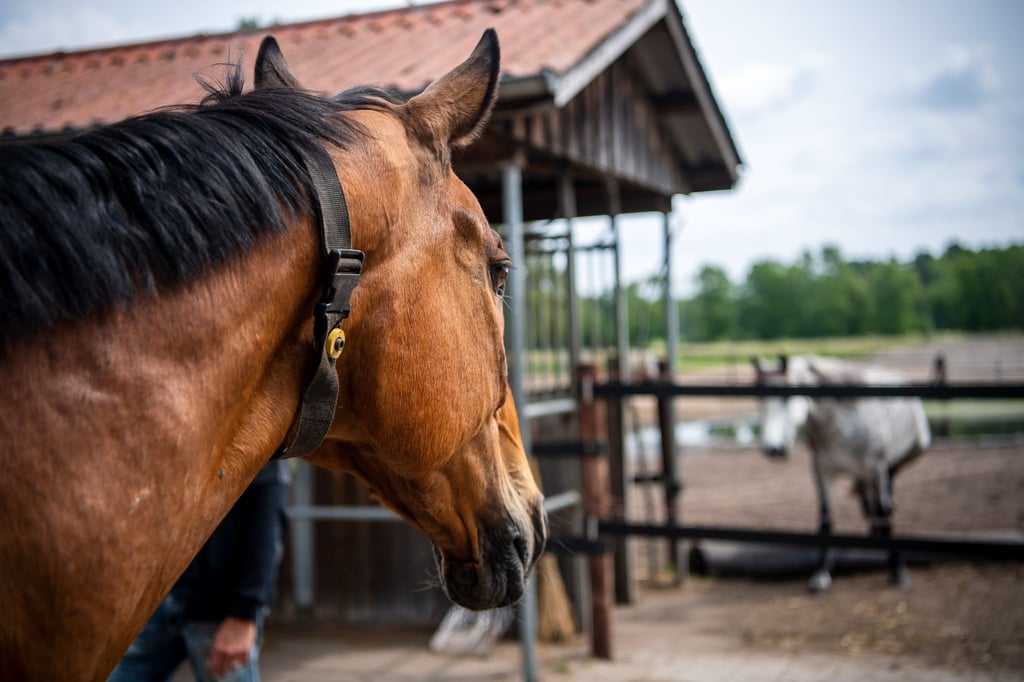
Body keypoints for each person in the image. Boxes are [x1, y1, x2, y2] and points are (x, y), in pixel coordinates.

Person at [109, 460, 289, 682]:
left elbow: (267, 527)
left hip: (219, 614)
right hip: (161, 604)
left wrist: (244, 615)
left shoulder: (256, 444)